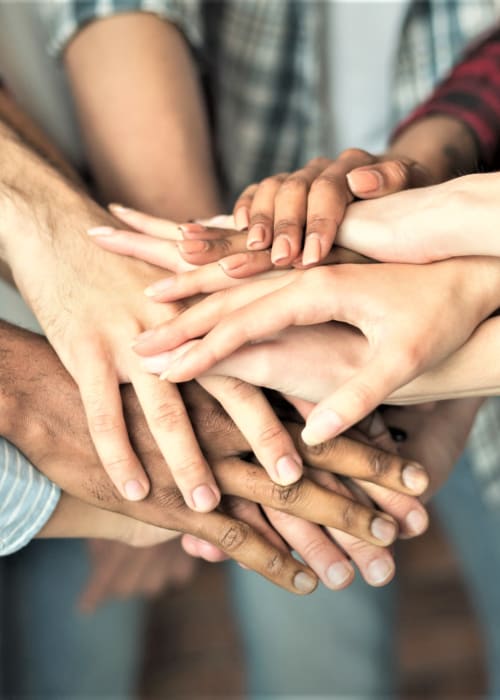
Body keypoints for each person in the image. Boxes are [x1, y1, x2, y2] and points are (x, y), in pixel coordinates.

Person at [56, 3, 500, 696]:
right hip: (283, 329)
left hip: (297, 330)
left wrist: (460, 267)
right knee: (315, 646)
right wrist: (422, 190)